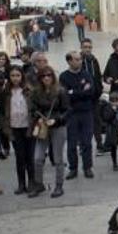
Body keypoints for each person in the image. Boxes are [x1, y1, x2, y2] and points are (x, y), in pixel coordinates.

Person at [29, 67, 69, 198]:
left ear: (53, 76)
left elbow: (67, 110)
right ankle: (39, 184)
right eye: (43, 76)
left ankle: (59, 186)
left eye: (49, 75)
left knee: (58, 159)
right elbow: (33, 108)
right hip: (43, 126)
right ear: (39, 78)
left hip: (58, 126)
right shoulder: (36, 92)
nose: (46, 78)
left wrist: (56, 120)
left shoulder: (60, 91)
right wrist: (38, 117)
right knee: (37, 158)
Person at [59, 51, 97, 179]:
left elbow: (91, 91)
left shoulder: (86, 74)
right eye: (76, 59)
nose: (79, 61)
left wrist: (74, 92)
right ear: (69, 61)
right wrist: (81, 91)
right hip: (72, 113)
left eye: (80, 59)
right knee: (71, 143)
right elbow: (65, 95)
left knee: (87, 142)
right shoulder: (64, 76)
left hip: (86, 112)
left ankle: (87, 167)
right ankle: (73, 168)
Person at [4, 66, 35, 194]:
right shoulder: (6, 92)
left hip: (27, 127)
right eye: (13, 75)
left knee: (30, 157)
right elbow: (2, 111)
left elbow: (34, 108)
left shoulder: (28, 90)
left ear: (22, 76)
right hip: (14, 128)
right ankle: (21, 183)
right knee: (19, 157)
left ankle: (32, 182)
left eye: (18, 75)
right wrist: (6, 128)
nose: (15, 78)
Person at [80, 38, 104, 152]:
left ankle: (99, 143)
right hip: (83, 98)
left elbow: (98, 76)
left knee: (96, 120)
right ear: (81, 48)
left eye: (89, 47)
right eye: (85, 47)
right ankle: (83, 145)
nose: (88, 49)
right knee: (83, 123)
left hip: (94, 97)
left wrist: (99, 90)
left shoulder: (94, 60)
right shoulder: (78, 61)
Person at [99, 92, 118, 171]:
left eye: (116, 101)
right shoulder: (108, 107)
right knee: (114, 146)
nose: (115, 103)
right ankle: (115, 163)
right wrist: (113, 111)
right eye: (113, 101)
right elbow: (106, 118)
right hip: (112, 128)